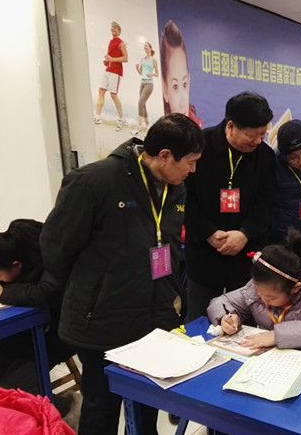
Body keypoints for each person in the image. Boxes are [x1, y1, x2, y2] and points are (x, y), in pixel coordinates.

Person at [40, 114, 205, 435]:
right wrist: (98, 286)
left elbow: (169, 247)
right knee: (101, 409)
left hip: (154, 320)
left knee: (147, 406)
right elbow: (55, 248)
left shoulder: (176, 188)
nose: (193, 170)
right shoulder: (94, 181)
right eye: (190, 161)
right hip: (102, 321)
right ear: (165, 156)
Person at [184, 92, 275, 324]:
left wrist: (245, 233)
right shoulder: (200, 148)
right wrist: (209, 233)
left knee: (243, 323)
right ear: (231, 125)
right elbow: (184, 199)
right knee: (199, 322)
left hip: (246, 255)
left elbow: (267, 202)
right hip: (204, 253)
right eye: (252, 135)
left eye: (262, 135)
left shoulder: (265, 156)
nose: (257, 141)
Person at [207, 233, 301, 351]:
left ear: (295, 288)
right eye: (258, 292)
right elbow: (221, 302)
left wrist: (277, 336)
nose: (262, 299)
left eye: (270, 298)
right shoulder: (261, 286)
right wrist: (225, 317)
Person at [0, 220, 75, 414]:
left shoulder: (49, 266)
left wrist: (4, 293)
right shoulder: (19, 245)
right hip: (34, 329)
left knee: (13, 363)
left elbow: (44, 295)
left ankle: (50, 407)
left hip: (59, 331)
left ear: (17, 266)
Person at [160, 20, 202, 127]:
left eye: (185, 84)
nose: (183, 103)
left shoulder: (197, 127)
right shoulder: (159, 131)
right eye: (175, 86)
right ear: (165, 89)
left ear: (189, 81)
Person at [93, 22, 128, 131]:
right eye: (112, 28)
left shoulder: (121, 43)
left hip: (116, 72)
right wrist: (107, 62)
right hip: (108, 69)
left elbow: (126, 58)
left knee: (113, 95)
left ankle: (121, 119)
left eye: (115, 28)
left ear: (119, 31)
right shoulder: (111, 41)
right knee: (101, 91)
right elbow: (111, 57)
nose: (113, 29)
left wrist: (112, 59)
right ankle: (97, 117)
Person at [132, 42, 159, 136]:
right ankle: (147, 125)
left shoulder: (153, 60)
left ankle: (141, 124)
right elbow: (141, 73)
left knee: (140, 102)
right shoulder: (142, 59)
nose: (145, 48)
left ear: (150, 48)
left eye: (146, 46)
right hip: (142, 83)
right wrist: (137, 69)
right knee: (143, 104)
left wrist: (151, 74)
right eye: (144, 47)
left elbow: (157, 74)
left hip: (149, 84)